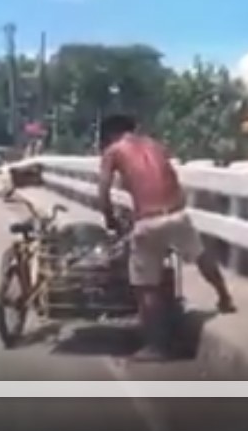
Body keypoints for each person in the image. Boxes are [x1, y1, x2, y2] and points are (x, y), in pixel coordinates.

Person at [98, 114, 236, 361]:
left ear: (110, 134)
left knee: (144, 285)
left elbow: (103, 191)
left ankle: (156, 346)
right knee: (201, 255)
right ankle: (224, 297)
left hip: (148, 221)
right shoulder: (154, 144)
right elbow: (171, 178)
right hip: (176, 212)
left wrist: (109, 219)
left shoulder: (113, 151)